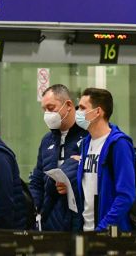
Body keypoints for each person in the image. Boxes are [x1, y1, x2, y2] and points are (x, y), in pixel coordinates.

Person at [74, 88, 136, 232]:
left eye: (83, 108)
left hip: (108, 234)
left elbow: (126, 195)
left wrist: (103, 228)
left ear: (98, 112)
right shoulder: (85, 143)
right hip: (86, 229)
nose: (78, 112)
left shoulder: (119, 144)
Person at [29, 84, 88, 231]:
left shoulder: (88, 136)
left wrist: (72, 183)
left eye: (51, 108)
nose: (47, 114)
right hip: (50, 221)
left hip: (80, 220)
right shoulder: (47, 140)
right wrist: (34, 208)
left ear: (68, 105)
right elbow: (37, 180)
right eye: (44, 110)